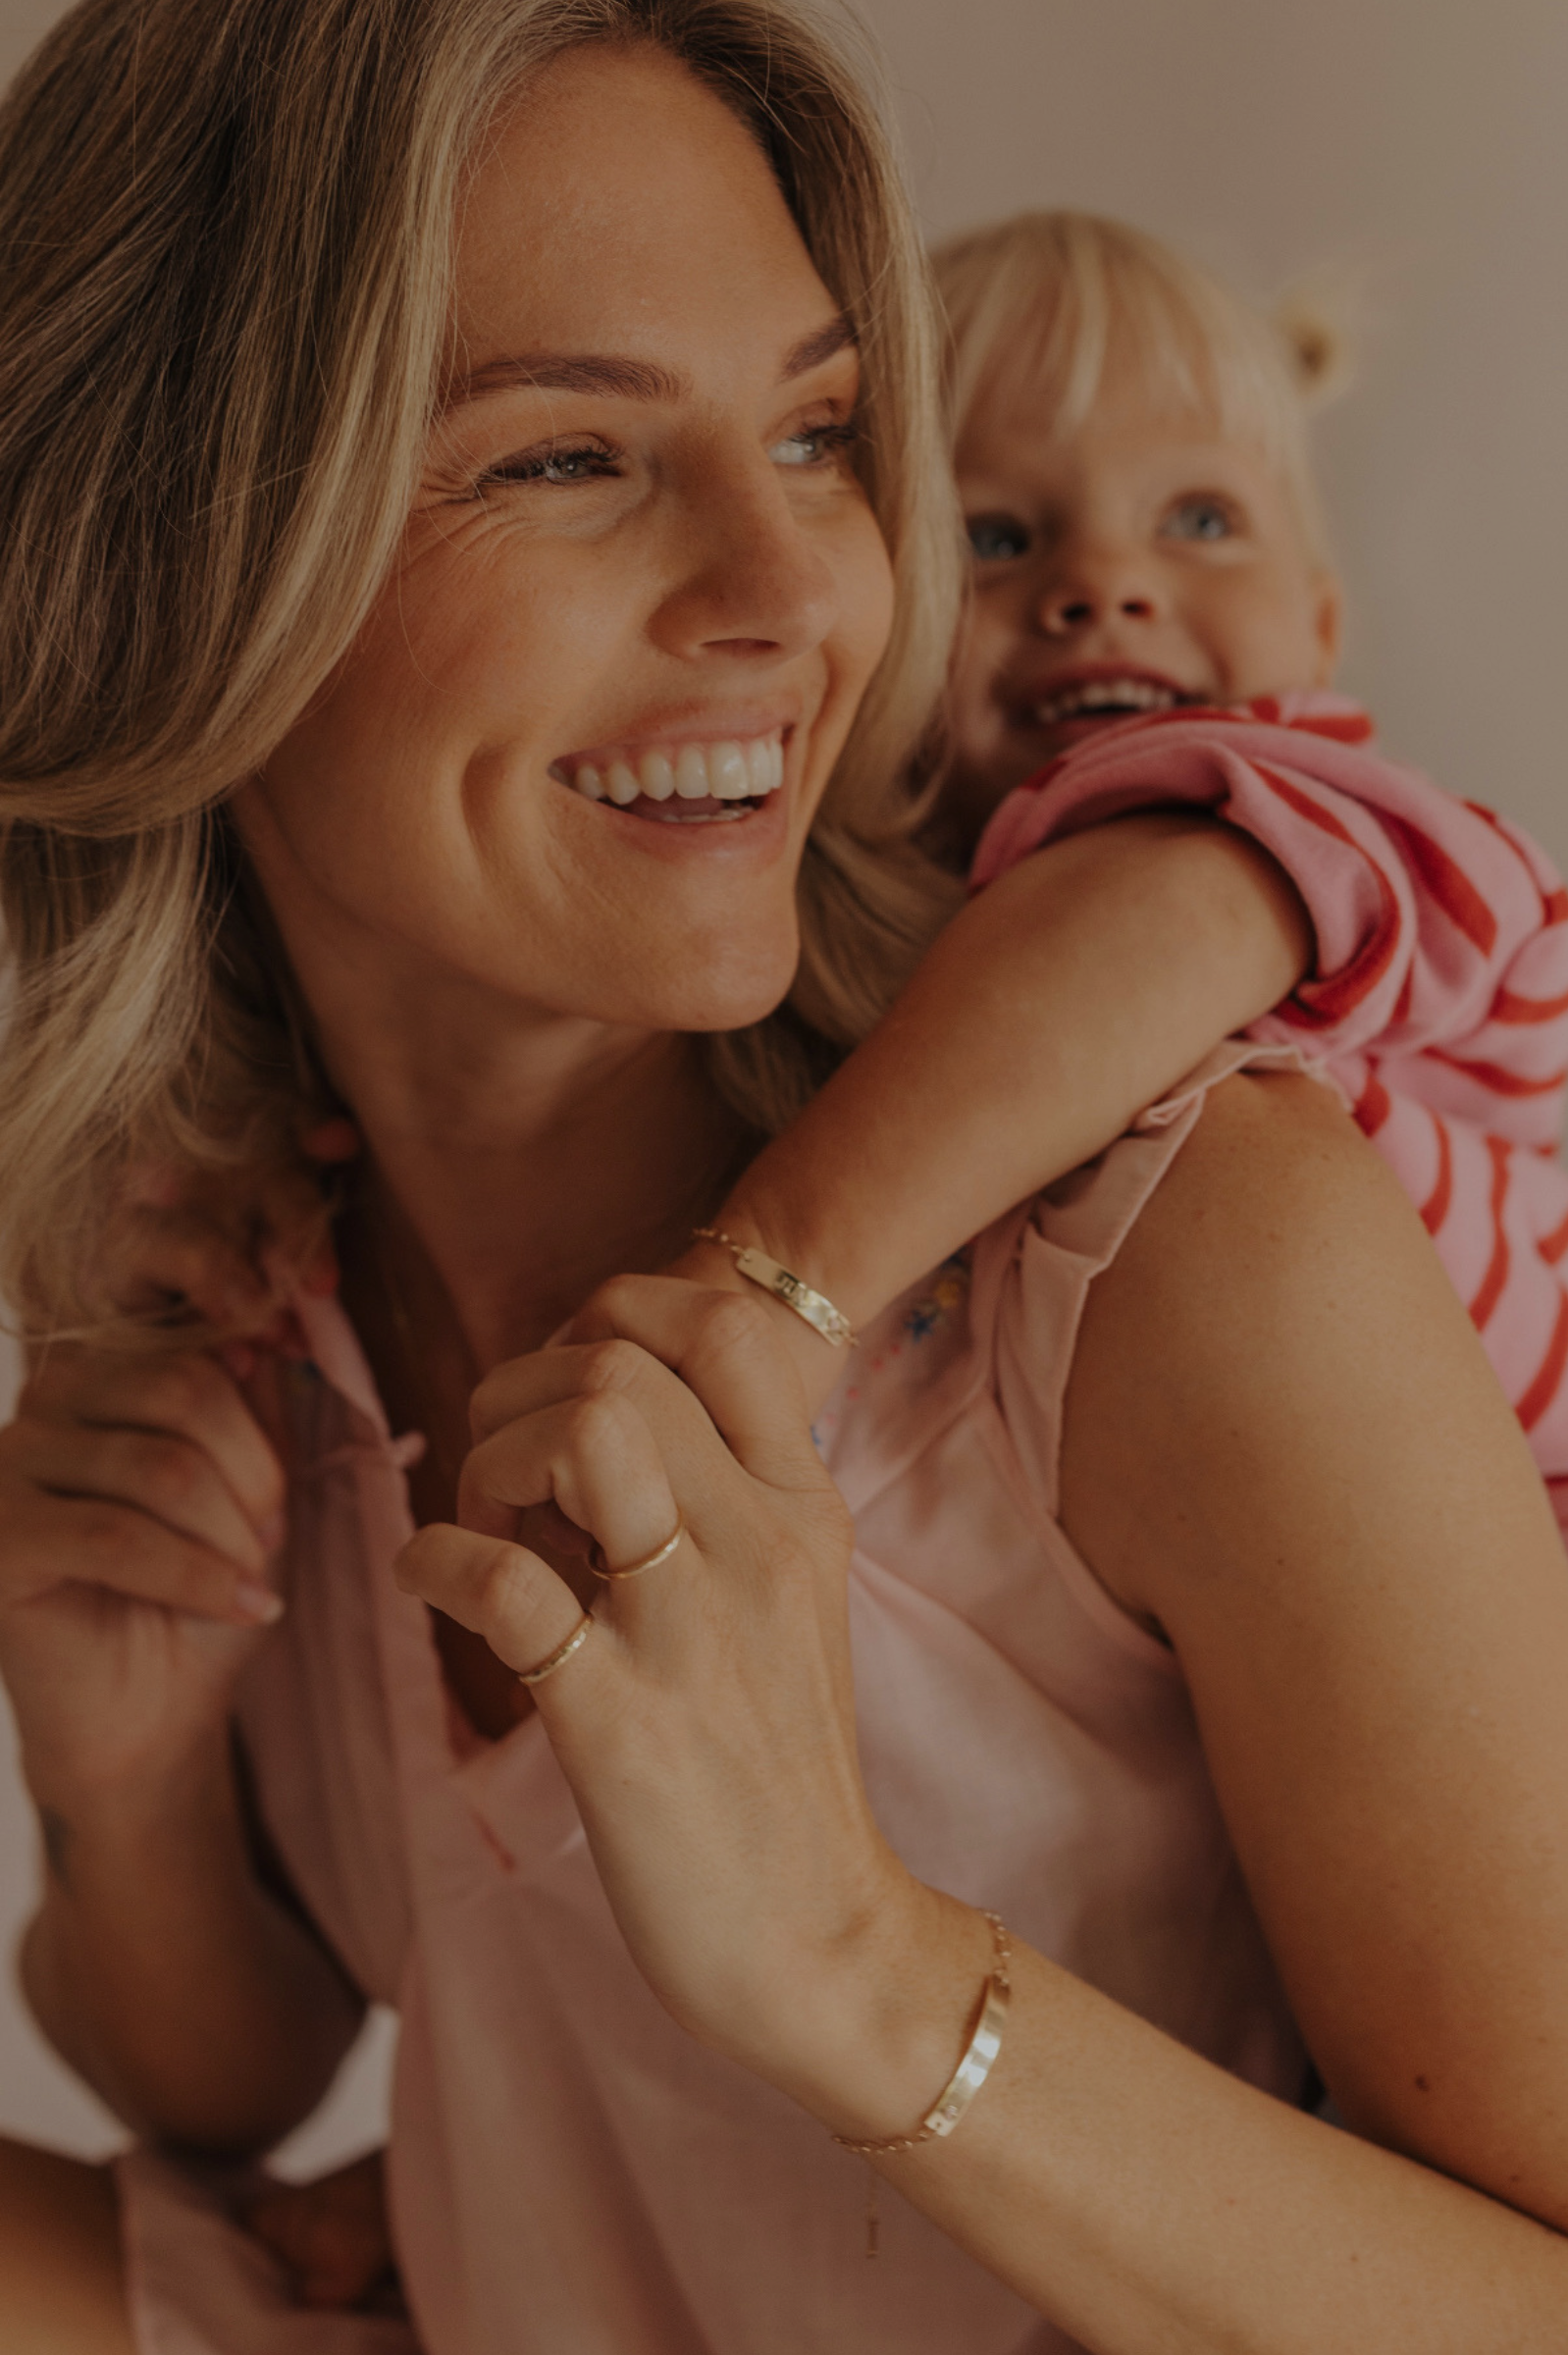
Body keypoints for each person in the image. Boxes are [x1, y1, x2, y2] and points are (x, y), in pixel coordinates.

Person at [2, 7, 1568, 2354]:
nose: (804, 587)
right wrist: (115, 1779)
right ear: (171, 561)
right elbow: (230, 2093)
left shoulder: (1178, 1251)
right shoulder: (227, 1289)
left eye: (826, 435)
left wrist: (853, 1967)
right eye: (570, 461)